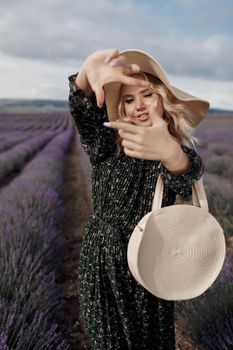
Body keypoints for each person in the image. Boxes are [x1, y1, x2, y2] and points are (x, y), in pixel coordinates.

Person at [68, 48, 209, 350]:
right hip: (103, 260)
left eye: (147, 95)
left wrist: (169, 151)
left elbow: (187, 176)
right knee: (109, 340)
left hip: (151, 257)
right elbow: (81, 108)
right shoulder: (106, 145)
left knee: (152, 340)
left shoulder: (174, 152)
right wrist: (85, 73)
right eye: (129, 100)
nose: (139, 106)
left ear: (163, 98)